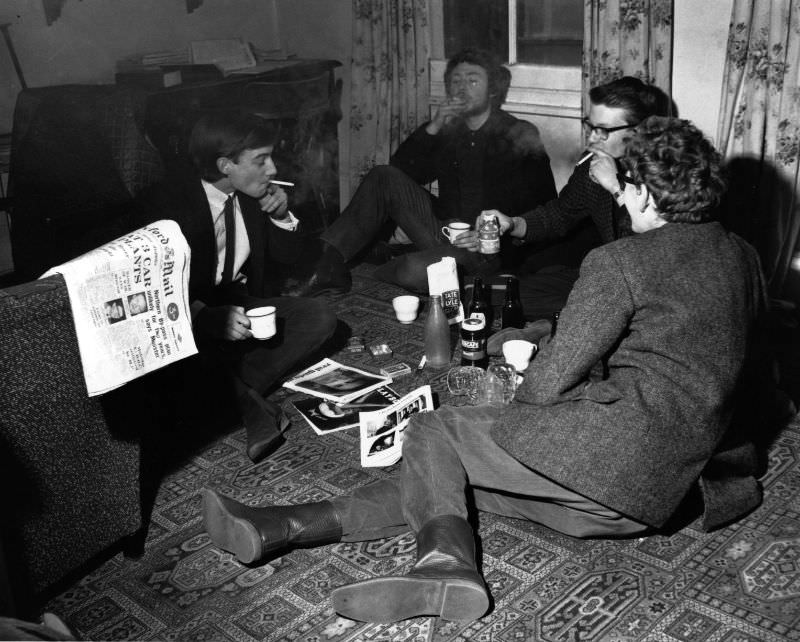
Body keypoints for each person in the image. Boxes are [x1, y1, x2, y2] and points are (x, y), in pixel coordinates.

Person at [200, 116, 766, 623]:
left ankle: (446, 568)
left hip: (610, 466)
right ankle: (282, 526)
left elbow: (546, 385)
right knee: (445, 482)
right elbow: (743, 369)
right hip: (656, 495)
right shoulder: (742, 253)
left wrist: (520, 386)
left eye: (624, 189)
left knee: (436, 430)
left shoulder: (620, 260)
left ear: (643, 193)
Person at [137, 111, 337, 462]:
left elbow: (291, 260)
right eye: (261, 160)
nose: (273, 169)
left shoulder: (250, 194)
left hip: (239, 302)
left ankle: (227, 395)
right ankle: (231, 395)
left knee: (319, 317)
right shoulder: (167, 204)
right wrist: (202, 316)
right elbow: (150, 289)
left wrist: (280, 217)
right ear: (225, 165)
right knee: (174, 363)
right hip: (182, 313)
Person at [291, 47, 560, 297]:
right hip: (443, 230)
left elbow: (544, 206)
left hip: (487, 248)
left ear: (493, 89)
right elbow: (398, 174)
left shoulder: (518, 134)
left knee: (413, 271)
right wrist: (434, 125)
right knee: (383, 175)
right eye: (455, 82)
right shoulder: (448, 131)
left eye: (472, 80)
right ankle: (325, 264)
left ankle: (383, 265)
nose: (462, 89)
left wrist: (493, 236)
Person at [482, 76, 675, 347]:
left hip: (649, 288)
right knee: (495, 294)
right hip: (606, 281)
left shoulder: (667, 172)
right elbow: (559, 215)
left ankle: (559, 324)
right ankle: (562, 322)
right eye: (590, 126)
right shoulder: (593, 166)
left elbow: (656, 254)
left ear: (639, 132)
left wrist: (616, 187)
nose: (593, 138)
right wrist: (512, 223)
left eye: (604, 130)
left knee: (629, 318)